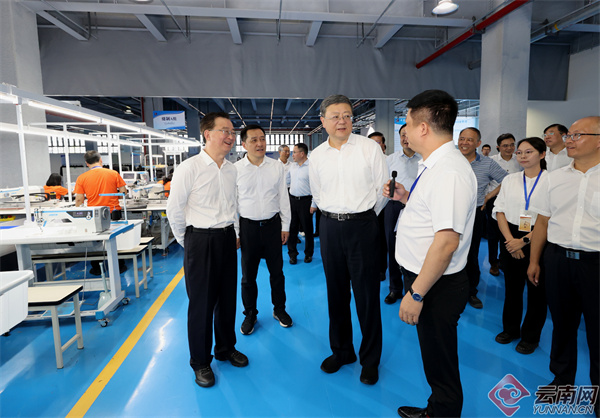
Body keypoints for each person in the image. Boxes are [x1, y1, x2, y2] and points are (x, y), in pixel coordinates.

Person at [384, 90, 476, 418]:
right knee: (435, 355)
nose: (405, 131)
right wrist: (406, 197)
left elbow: (447, 242)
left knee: (440, 359)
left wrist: (416, 293)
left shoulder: (448, 171)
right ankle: (438, 408)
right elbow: (434, 214)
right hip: (428, 278)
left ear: (423, 127)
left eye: (408, 123)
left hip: (435, 284)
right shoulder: (436, 165)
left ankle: (442, 412)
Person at [309, 94, 387, 386]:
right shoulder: (317, 156)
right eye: (335, 116)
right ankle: (342, 352)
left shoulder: (369, 148)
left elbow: (382, 190)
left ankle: (370, 360)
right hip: (329, 227)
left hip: (363, 226)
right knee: (336, 294)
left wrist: (363, 217)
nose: (341, 121)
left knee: (367, 296)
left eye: (347, 115)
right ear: (323, 121)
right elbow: (317, 193)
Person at [166, 112, 248, 389]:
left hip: (227, 238)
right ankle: (200, 361)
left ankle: (225, 348)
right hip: (200, 240)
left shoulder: (231, 169)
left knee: (227, 299)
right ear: (207, 134)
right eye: (225, 130)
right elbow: (174, 210)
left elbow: (233, 205)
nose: (230, 136)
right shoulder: (189, 168)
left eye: (232, 132)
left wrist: (235, 232)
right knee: (201, 304)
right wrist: (188, 241)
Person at [528, 116, 600, 416]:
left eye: (577, 135)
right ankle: (562, 383)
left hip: (595, 264)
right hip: (557, 260)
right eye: (568, 134)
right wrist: (534, 260)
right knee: (562, 325)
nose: (568, 140)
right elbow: (542, 221)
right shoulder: (555, 177)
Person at [235, 124, 293, 336]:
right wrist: (236, 232)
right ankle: (250, 314)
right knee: (248, 276)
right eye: (254, 140)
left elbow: (283, 197)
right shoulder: (236, 170)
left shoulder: (276, 167)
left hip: (272, 227)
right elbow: (232, 204)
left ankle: (279, 309)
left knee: (277, 273)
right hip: (248, 228)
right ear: (244, 144)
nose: (260, 144)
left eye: (262, 139)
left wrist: (285, 226)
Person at [492, 137, 549, 355]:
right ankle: (510, 329)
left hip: (539, 236)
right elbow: (499, 210)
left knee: (537, 291)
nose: (522, 156)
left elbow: (549, 218)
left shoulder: (551, 181)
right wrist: (510, 241)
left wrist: (523, 242)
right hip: (511, 235)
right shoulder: (511, 180)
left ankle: (530, 337)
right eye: (519, 152)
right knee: (512, 288)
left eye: (529, 152)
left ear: (542, 154)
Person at [458, 127, 508, 309]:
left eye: (470, 139)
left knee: (471, 253)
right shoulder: (450, 160)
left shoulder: (487, 163)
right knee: (449, 252)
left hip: (475, 213)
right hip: (450, 213)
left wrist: (488, 196)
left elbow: (508, 180)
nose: (464, 143)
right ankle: (451, 290)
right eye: (462, 138)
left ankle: (471, 291)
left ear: (478, 143)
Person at [74, 150, 128, 276]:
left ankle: (97, 268)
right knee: (115, 239)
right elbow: (123, 193)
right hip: (113, 212)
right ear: (100, 160)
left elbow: (79, 199)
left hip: (93, 214)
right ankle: (119, 266)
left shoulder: (82, 178)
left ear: (87, 163)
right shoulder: (113, 173)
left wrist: (77, 213)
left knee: (95, 241)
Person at [383, 124, 420, 304]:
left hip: (418, 207)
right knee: (392, 247)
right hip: (394, 207)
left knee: (415, 248)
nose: (405, 138)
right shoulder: (390, 160)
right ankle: (395, 289)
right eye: (402, 135)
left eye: (408, 134)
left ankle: (413, 289)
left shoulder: (425, 159)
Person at [486, 133, 522, 276]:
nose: (509, 148)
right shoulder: (491, 161)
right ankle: (493, 263)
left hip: (513, 201)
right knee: (493, 234)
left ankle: (503, 260)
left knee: (508, 231)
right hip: (494, 200)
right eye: (505, 145)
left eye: (512, 145)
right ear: (498, 147)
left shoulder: (519, 160)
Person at [287, 143, 314, 264]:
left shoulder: (311, 167)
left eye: (294, 152)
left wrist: (314, 204)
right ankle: (292, 254)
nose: (292, 155)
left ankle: (308, 253)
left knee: (308, 229)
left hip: (306, 202)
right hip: (292, 201)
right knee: (292, 228)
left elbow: (316, 187)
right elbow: (286, 181)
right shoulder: (292, 167)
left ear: (302, 154)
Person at [369, 131, 389, 282]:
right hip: (366, 208)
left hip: (383, 206)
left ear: (383, 145)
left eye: (378, 142)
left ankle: (382, 269)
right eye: (372, 143)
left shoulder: (389, 160)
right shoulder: (362, 161)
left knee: (382, 239)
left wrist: (376, 209)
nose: (375, 145)